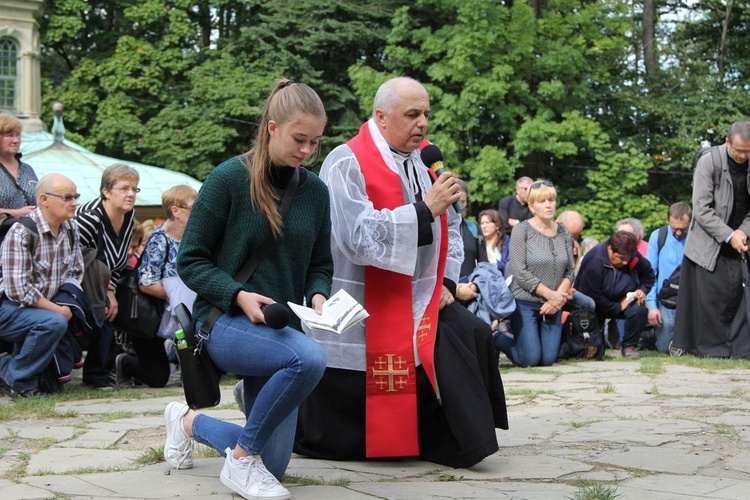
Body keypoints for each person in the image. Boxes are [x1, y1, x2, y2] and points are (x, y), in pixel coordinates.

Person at [294, 76, 508, 469]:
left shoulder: (427, 162)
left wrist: (445, 282)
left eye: (426, 114)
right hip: (360, 300)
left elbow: (454, 230)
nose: (423, 124)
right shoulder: (346, 160)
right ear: (381, 116)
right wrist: (425, 209)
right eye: (412, 115)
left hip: (420, 295)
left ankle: (456, 441)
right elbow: (357, 237)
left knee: (475, 333)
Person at [164, 79, 330, 500]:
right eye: (299, 139)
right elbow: (190, 260)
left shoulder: (315, 191)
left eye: (315, 142)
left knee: (272, 465)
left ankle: (186, 422)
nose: (307, 151)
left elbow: (320, 264)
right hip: (223, 322)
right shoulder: (227, 179)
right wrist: (238, 294)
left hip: (280, 330)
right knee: (308, 358)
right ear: (272, 127)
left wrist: (318, 294)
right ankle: (239, 462)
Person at [0, 174, 83, 398]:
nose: (74, 202)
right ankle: (17, 380)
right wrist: (57, 309)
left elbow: (76, 272)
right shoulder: (21, 231)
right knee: (53, 322)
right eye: (67, 197)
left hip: (41, 308)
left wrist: (66, 303)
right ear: (44, 199)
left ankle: (7, 367)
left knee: (53, 388)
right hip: (9, 308)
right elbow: (17, 290)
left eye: (75, 196)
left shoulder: (72, 228)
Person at [672, 122, 750, 358]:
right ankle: (708, 349)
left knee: (739, 298)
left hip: (742, 239)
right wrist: (729, 234)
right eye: (738, 150)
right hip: (709, 244)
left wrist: (744, 231)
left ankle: (739, 349)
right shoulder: (709, 162)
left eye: (748, 152)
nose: (743, 156)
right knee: (711, 300)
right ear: (727, 143)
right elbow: (702, 210)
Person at [113, 185, 198, 388]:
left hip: (180, 313)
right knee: (157, 378)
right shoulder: (158, 240)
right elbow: (147, 284)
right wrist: (179, 297)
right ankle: (124, 363)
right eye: (194, 208)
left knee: (195, 372)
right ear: (176, 211)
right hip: (152, 316)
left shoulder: (193, 237)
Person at [494, 180, 575, 367]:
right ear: (531, 206)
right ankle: (497, 337)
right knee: (530, 359)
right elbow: (519, 271)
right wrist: (551, 296)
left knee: (547, 360)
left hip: (554, 304)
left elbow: (570, 270)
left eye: (551, 200)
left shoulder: (563, 231)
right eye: (541, 201)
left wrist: (557, 299)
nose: (548, 205)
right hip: (525, 302)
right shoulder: (521, 230)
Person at [75, 163, 140, 389]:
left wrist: (110, 289)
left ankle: (108, 368)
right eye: (124, 188)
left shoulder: (129, 214)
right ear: (106, 191)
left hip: (110, 279)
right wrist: (107, 292)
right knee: (105, 309)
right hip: (82, 280)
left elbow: (118, 259)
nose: (131, 194)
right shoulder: (89, 217)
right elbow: (77, 260)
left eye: (134, 189)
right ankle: (95, 374)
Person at [574, 231, 655, 359]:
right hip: (595, 306)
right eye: (621, 258)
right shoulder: (594, 260)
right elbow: (592, 296)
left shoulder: (632, 255)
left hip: (624, 299)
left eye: (627, 259)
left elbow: (649, 275)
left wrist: (642, 290)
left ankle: (629, 345)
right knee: (595, 353)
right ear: (610, 248)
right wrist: (618, 306)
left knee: (639, 309)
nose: (624, 263)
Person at [645, 202, 691, 354]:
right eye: (674, 229)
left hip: (690, 300)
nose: (678, 233)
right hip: (666, 301)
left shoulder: (696, 237)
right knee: (664, 348)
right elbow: (650, 274)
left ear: (690, 222)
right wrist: (652, 307)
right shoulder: (658, 236)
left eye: (682, 229)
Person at [0, 113, 37, 218]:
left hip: (31, 232)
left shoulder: (27, 169)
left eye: (18, 134)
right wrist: (15, 214)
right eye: (9, 135)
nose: (16, 140)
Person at [478, 208, 510, 274]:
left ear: (497, 225)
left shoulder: (507, 243)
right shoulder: (478, 242)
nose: (484, 226)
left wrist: (492, 260)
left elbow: (510, 266)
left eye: (487, 222)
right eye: (482, 223)